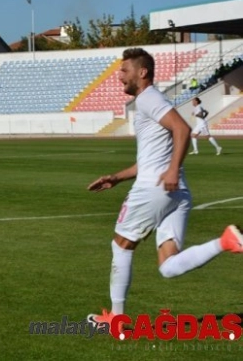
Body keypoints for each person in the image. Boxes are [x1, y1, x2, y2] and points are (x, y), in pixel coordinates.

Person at [86, 48, 242, 328]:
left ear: (142, 72)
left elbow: (182, 129)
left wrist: (170, 169)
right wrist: (117, 177)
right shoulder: (147, 101)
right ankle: (226, 241)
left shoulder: (148, 98)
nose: (119, 75)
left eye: (124, 70)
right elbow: (147, 160)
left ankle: (117, 319)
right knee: (168, 267)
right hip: (177, 192)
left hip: (155, 189)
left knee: (121, 245)